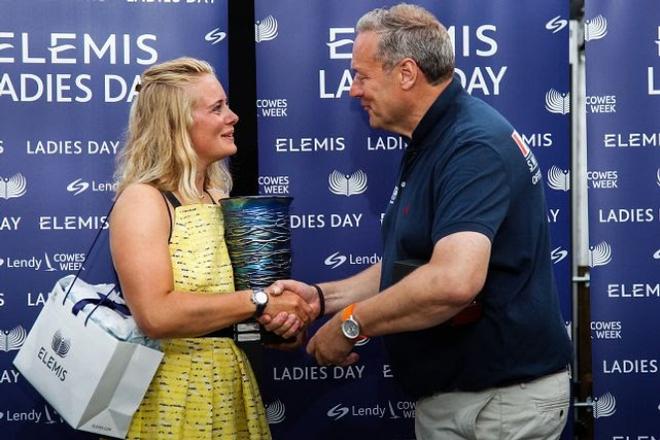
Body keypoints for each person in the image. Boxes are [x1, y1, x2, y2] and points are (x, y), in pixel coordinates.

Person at [262, 4, 572, 439]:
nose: (353, 91)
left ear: (406, 73)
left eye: (361, 76)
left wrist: (352, 323)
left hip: (496, 403)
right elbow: (412, 268)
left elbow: (451, 282)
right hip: (464, 397)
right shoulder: (435, 138)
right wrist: (321, 297)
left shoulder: (471, 145)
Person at [110, 57, 313, 440]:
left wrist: (281, 323)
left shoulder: (220, 199)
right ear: (177, 123)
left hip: (231, 391)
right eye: (217, 108)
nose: (233, 116)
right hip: (171, 398)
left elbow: (247, 308)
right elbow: (155, 315)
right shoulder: (144, 201)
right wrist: (260, 302)